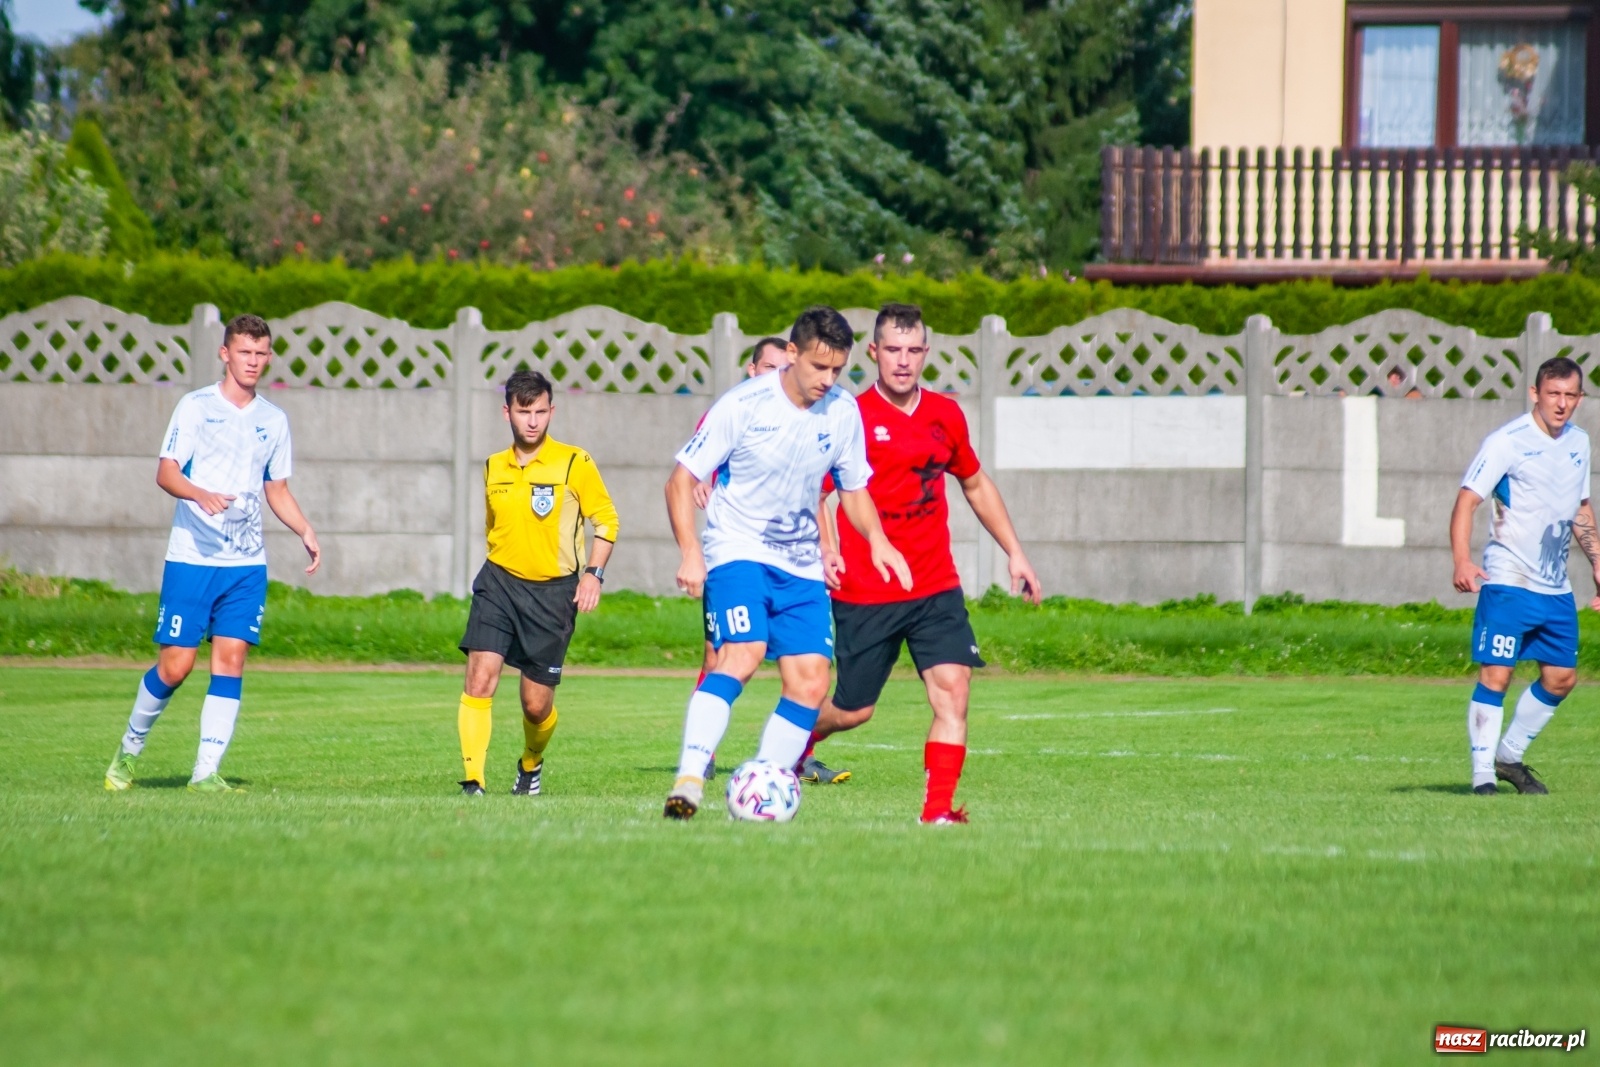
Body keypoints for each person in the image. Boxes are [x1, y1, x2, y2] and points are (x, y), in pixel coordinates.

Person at [662, 305, 911, 820]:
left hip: (800, 564)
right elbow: (680, 480)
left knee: (811, 682)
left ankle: (764, 783)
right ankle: (689, 779)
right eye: (819, 366)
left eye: (838, 369)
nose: (828, 379)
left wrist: (878, 540)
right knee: (744, 653)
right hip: (738, 549)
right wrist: (691, 552)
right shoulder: (746, 404)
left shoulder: (842, 412)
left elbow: (854, 491)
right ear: (791, 354)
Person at [803, 303, 1042, 821]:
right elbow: (819, 492)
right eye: (893, 349)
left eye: (913, 350)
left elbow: (974, 484)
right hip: (867, 588)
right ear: (873, 353)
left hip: (935, 585)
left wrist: (1016, 553)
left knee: (954, 690)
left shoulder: (946, 414)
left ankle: (937, 812)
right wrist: (828, 548)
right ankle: (794, 739)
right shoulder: (850, 416)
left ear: (926, 353)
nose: (904, 361)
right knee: (853, 710)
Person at [103, 314, 320, 793]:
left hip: (245, 565)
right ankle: (129, 750)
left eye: (261, 354)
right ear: (225, 354)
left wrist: (304, 528)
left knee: (232, 659)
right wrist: (199, 494)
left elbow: (276, 488)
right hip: (192, 560)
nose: (253, 362)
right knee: (176, 666)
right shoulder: (196, 407)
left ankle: (205, 773)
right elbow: (166, 472)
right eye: (245, 352)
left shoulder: (273, 420)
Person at [454, 369, 619, 796]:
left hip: (553, 595)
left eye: (540, 412)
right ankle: (473, 780)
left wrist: (593, 575)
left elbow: (607, 521)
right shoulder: (493, 466)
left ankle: (530, 763)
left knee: (535, 703)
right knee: (480, 676)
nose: (532, 421)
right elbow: (494, 528)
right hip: (499, 584)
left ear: (552, 411)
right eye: (524, 412)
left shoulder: (574, 462)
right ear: (506, 411)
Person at [1451, 356, 1599, 796]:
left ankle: (1509, 757)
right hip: (1509, 578)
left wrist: (1596, 563)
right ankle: (1481, 778)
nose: (1561, 404)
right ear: (1535, 394)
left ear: (1580, 398)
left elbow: (1581, 509)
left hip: (1554, 587)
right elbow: (1466, 501)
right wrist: (1462, 560)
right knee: (1497, 674)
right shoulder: (1507, 442)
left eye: (1570, 395)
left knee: (1561, 677)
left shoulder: (1579, 442)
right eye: (1553, 394)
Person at [688, 336, 793, 782]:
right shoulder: (732, 409)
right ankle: (700, 753)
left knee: (804, 665)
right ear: (752, 369)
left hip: (790, 557)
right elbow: (695, 466)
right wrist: (703, 482)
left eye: (782, 368)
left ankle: (795, 754)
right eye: (768, 367)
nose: (776, 376)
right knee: (720, 653)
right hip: (734, 552)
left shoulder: (799, 416)